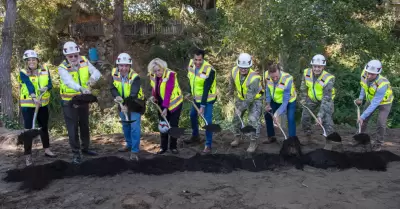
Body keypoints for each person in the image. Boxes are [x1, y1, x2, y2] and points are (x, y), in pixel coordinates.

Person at [58, 41, 101, 164]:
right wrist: (81, 88)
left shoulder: (84, 61)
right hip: (69, 101)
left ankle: (85, 148)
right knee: (72, 128)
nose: (73, 58)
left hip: (82, 99)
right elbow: (68, 82)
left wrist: (92, 79)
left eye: (75, 55)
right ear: (66, 56)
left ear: (78, 53)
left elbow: (96, 72)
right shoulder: (62, 67)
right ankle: (76, 153)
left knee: (84, 125)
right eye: (70, 56)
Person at [18, 50, 56, 166]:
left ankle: (47, 149)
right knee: (29, 131)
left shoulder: (44, 70)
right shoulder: (23, 72)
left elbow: (50, 84)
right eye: (28, 60)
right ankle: (28, 156)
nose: (31, 62)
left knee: (44, 127)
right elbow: (29, 85)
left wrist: (46, 88)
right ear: (26, 62)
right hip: (28, 106)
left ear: (37, 60)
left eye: (33, 59)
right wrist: (34, 98)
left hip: (43, 104)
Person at [110, 53, 145, 161]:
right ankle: (129, 145)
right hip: (122, 102)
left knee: (134, 127)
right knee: (125, 125)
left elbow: (133, 94)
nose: (124, 68)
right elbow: (112, 88)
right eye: (121, 65)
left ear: (130, 66)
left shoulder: (135, 77)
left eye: (126, 66)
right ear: (118, 65)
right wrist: (117, 97)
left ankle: (134, 151)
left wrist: (126, 104)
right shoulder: (114, 74)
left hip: (135, 104)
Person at [183, 49, 217, 154]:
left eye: (200, 60)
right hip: (196, 98)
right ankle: (195, 136)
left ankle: (208, 145)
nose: (197, 62)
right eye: (195, 59)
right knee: (193, 115)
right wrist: (189, 92)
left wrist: (202, 106)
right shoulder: (191, 64)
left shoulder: (209, 70)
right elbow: (191, 80)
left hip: (207, 100)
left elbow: (206, 88)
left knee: (207, 121)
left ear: (203, 59)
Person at [355, 60, 393, 151]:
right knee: (363, 121)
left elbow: (375, 103)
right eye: (369, 73)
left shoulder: (383, 83)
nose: (369, 76)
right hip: (370, 100)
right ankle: (359, 138)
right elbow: (363, 87)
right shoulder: (364, 75)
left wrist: (363, 116)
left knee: (381, 123)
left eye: (372, 74)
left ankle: (378, 144)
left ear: (378, 73)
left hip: (384, 103)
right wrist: (360, 98)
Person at [148, 58, 183, 154]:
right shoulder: (153, 75)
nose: (157, 73)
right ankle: (163, 147)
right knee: (163, 125)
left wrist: (165, 108)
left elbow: (168, 91)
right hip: (161, 103)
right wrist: (154, 96)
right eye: (155, 71)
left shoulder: (170, 75)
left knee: (173, 125)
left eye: (159, 70)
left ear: (163, 68)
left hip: (174, 103)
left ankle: (173, 147)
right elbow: (154, 87)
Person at [229, 53, 263, 153]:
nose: (243, 69)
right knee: (236, 118)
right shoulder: (234, 71)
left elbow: (249, 99)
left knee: (252, 120)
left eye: (246, 68)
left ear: (250, 66)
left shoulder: (254, 78)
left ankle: (253, 142)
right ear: (238, 65)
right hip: (241, 97)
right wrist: (230, 93)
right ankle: (237, 137)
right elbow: (232, 82)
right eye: (241, 67)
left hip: (255, 99)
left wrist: (240, 109)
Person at [300, 54, 335, 138]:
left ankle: (330, 137)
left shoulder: (328, 78)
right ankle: (308, 134)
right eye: (315, 66)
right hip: (312, 98)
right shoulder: (306, 72)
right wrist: (303, 98)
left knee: (326, 119)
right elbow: (303, 86)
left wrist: (320, 115)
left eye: (319, 67)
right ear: (312, 65)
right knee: (305, 117)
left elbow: (326, 98)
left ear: (323, 67)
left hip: (326, 99)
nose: (316, 69)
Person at [264, 63, 297, 143]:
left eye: (277, 76)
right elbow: (268, 90)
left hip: (289, 100)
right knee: (268, 115)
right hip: (275, 99)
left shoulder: (288, 79)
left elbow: (285, 101)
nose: (275, 79)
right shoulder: (266, 75)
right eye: (273, 77)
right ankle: (271, 137)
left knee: (290, 118)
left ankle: (292, 141)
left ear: (279, 71)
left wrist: (277, 113)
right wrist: (268, 104)